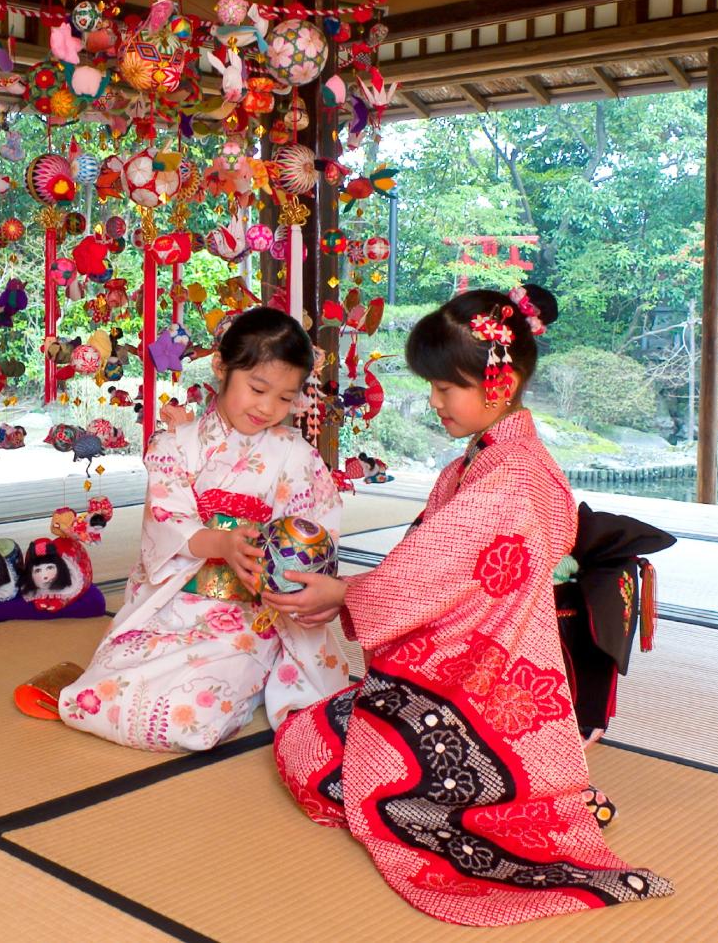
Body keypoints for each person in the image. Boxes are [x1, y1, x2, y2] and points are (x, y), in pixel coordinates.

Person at [267, 285, 672, 927]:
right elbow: (435, 562)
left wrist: (345, 594)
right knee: (309, 735)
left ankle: (528, 797)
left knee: (314, 757)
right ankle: (543, 789)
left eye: (444, 388)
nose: (433, 402)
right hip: (474, 663)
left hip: (477, 682)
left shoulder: (509, 475)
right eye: (431, 386)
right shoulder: (500, 455)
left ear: (498, 383)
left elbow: (426, 575)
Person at [57, 306, 347, 752]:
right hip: (175, 601)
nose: (269, 408)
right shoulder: (175, 445)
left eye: (286, 398)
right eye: (257, 388)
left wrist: (286, 568)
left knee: (192, 716)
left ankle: (252, 675)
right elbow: (167, 522)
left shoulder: (295, 454)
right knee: (95, 693)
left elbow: (315, 530)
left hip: (250, 613)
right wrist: (223, 543)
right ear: (221, 367)